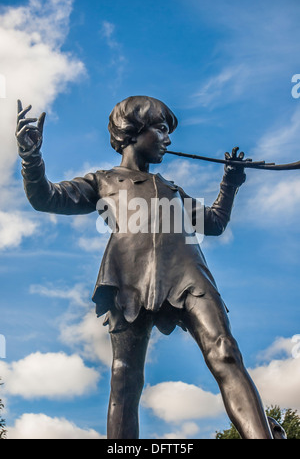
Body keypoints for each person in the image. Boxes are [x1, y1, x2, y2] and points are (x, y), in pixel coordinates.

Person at [16, 96, 274, 439]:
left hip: (188, 274)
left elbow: (214, 222)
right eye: (162, 129)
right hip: (128, 278)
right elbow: (46, 197)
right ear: (132, 132)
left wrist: (229, 183)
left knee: (225, 350)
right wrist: (31, 159)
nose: (168, 139)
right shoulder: (103, 181)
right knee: (124, 376)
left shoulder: (172, 190)